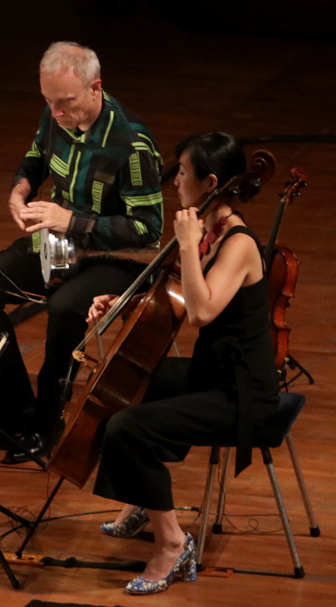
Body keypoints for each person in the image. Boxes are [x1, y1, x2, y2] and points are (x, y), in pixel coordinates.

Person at [91, 132, 280, 595]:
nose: (175, 180)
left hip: (241, 395)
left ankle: (173, 544)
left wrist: (187, 242)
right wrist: (123, 302)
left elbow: (200, 311)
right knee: (124, 389)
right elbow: (176, 293)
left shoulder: (238, 244)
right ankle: (143, 499)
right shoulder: (207, 232)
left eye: (182, 172)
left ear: (211, 181)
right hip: (210, 374)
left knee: (127, 429)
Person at [0, 42, 164, 463]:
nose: (56, 114)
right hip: (59, 244)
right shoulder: (58, 113)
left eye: (64, 103)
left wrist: (71, 221)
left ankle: (48, 426)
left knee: (66, 308)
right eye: (48, 102)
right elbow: (35, 156)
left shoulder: (132, 145)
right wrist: (20, 189)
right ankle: (16, 410)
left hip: (115, 258)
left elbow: (147, 229)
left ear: (95, 88)